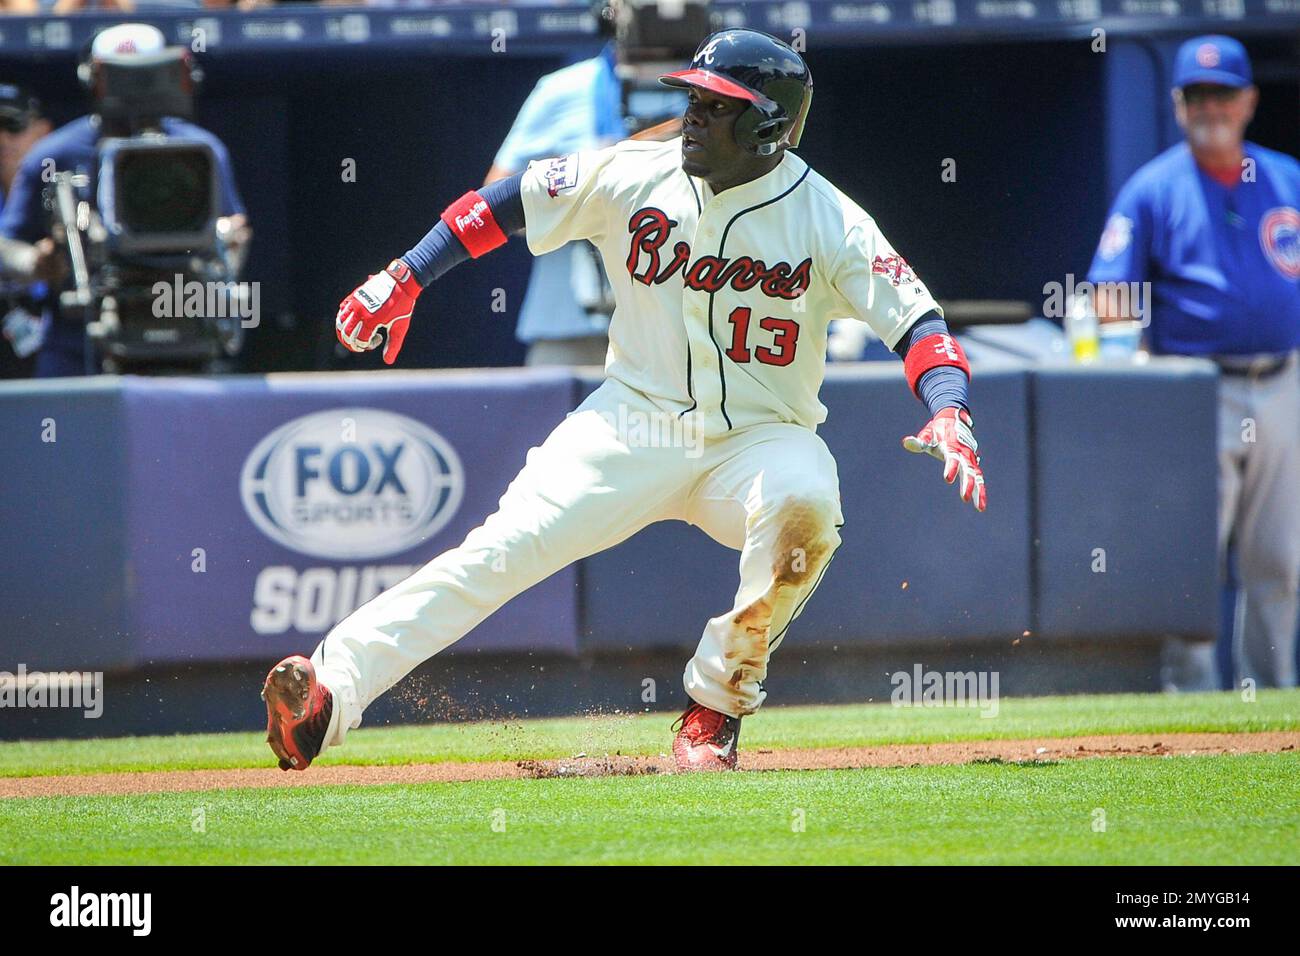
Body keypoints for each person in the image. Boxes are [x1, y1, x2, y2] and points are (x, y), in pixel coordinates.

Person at [264, 30, 987, 773]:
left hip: (760, 438)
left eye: (717, 106)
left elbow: (918, 324)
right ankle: (329, 691)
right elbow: (504, 201)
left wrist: (949, 408)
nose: (694, 116)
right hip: (631, 419)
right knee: (500, 550)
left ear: (770, 125)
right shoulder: (635, 168)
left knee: (806, 509)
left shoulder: (829, 219)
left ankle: (715, 711)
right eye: (694, 99)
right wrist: (407, 276)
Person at [1088, 35, 1300, 691]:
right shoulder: (1154, 188)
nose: (1213, 106)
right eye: (1198, 95)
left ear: (1248, 100)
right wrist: (1140, 374)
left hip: (1283, 378)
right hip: (1197, 388)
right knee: (1194, 557)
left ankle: (1273, 698)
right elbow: (1111, 293)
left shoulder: (1287, 177)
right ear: (1179, 104)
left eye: (1224, 93)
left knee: (1280, 559)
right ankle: (1197, 704)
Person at [0, 23, 249, 377]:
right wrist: (36, 263)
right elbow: (7, 244)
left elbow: (234, 232)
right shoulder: (54, 154)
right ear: (93, 78)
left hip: (184, 325)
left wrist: (228, 244)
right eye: (119, 74)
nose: (135, 87)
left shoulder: (201, 151)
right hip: (80, 338)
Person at [482, 4, 628, 366]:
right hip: (569, 324)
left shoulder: (703, 93)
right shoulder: (562, 88)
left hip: (673, 331)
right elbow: (495, 199)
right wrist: (585, 196)